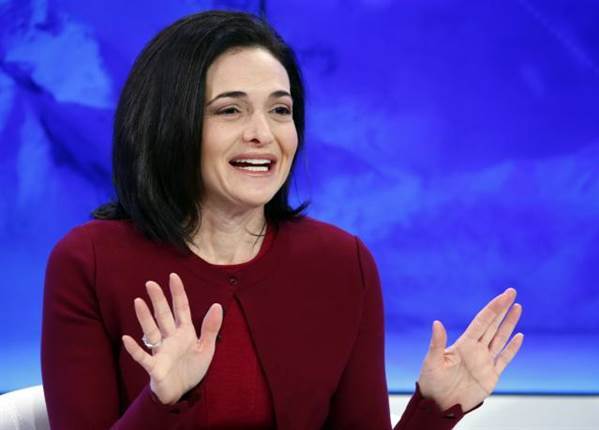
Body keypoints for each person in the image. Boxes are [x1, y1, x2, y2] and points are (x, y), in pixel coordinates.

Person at [41, 10, 524, 430]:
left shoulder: (341, 263)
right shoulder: (90, 261)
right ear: (170, 123)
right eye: (230, 110)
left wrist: (435, 409)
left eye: (280, 110)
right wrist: (163, 402)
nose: (262, 134)